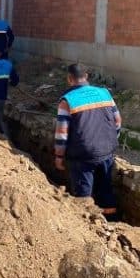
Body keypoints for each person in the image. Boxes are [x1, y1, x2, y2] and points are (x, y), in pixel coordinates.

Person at [54, 64, 122, 221]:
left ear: (69, 79)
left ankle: (88, 228)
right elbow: (117, 122)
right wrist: (108, 142)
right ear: (87, 76)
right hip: (106, 151)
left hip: (82, 155)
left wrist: (59, 156)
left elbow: (62, 133)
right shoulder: (105, 93)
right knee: (105, 189)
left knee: (84, 194)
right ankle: (112, 224)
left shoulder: (67, 101)